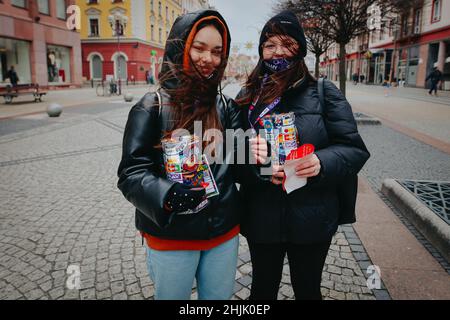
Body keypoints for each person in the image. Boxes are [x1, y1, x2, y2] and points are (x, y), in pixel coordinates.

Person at [236, 10, 370, 300]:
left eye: (287, 43)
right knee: (261, 293)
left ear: (301, 48)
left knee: (308, 292)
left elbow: (354, 149)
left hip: (313, 216)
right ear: (261, 51)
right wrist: (251, 161)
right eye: (269, 45)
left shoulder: (323, 92)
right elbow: (229, 155)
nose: (278, 52)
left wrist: (321, 162)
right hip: (262, 216)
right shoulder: (247, 98)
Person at [117, 10, 243, 300]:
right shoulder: (151, 106)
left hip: (222, 234)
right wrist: (167, 194)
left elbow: (239, 165)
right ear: (180, 46)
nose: (208, 58)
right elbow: (131, 173)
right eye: (199, 47)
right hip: (171, 236)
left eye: (216, 52)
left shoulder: (225, 105)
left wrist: (258, 154)